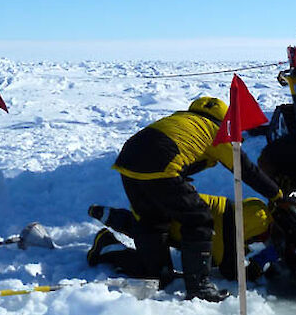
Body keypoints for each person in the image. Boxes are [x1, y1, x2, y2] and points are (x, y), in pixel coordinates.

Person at [112, 96, 282, 302]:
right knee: (199, 218)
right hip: (161, 163)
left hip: (128, 160)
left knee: (153, 221)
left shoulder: (183, 119)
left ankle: (142, 265)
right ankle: (199, 286)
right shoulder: (215, 131)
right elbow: (245, 169)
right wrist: (277, 194)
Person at [86, 195, 278, 287]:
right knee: (158, 275)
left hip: (155, 203)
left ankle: (109, 215)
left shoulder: (253, 206)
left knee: (143, 223)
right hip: (165, 227)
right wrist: (255, 266)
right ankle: (107, 246)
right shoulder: (224, 243)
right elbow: (228, 269)